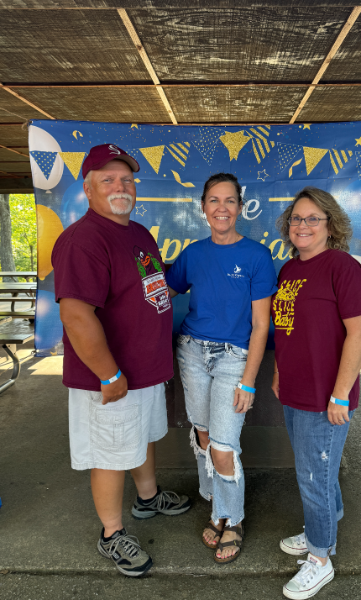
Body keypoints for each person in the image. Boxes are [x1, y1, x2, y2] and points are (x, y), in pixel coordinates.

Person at [51, 143, 191, 578]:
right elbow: (75, 313)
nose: (120, 186)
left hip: (145, 371)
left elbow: (151, 285)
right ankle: (112, 534)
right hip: (111, 379)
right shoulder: (83, 239)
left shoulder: (138, 233)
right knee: (111, 455)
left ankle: (148, 499)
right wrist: (108, 373)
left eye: (126, 179)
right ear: (88, 188)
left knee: (143, 437)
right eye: (108, 179)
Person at [166, 173, 277, 564]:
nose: (222, 208)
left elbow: (262, 324)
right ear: (203, 207)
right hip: (192, 352)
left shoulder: (257, 256)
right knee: (203, 433)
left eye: (230, 201)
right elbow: (161, 293)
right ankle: (215, 499)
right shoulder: (193, 254)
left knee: (224, 445)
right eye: (214, 200)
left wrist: (248, 382)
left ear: (241, 207)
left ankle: (231, 518)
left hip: (234, 357)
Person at [271, 186, 361, 599]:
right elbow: (285, 327)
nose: (303, 225)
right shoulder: (287, 270)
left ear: (330, 225)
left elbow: (359, 333)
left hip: (325, 395)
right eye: (296, 218)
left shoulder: (342, 267)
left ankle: (320, 559)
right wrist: (279, 369)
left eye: (313, 218)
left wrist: (340, 394)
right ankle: (325, 527)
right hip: (295, 389)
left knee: (313, 476)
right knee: (318, 470)